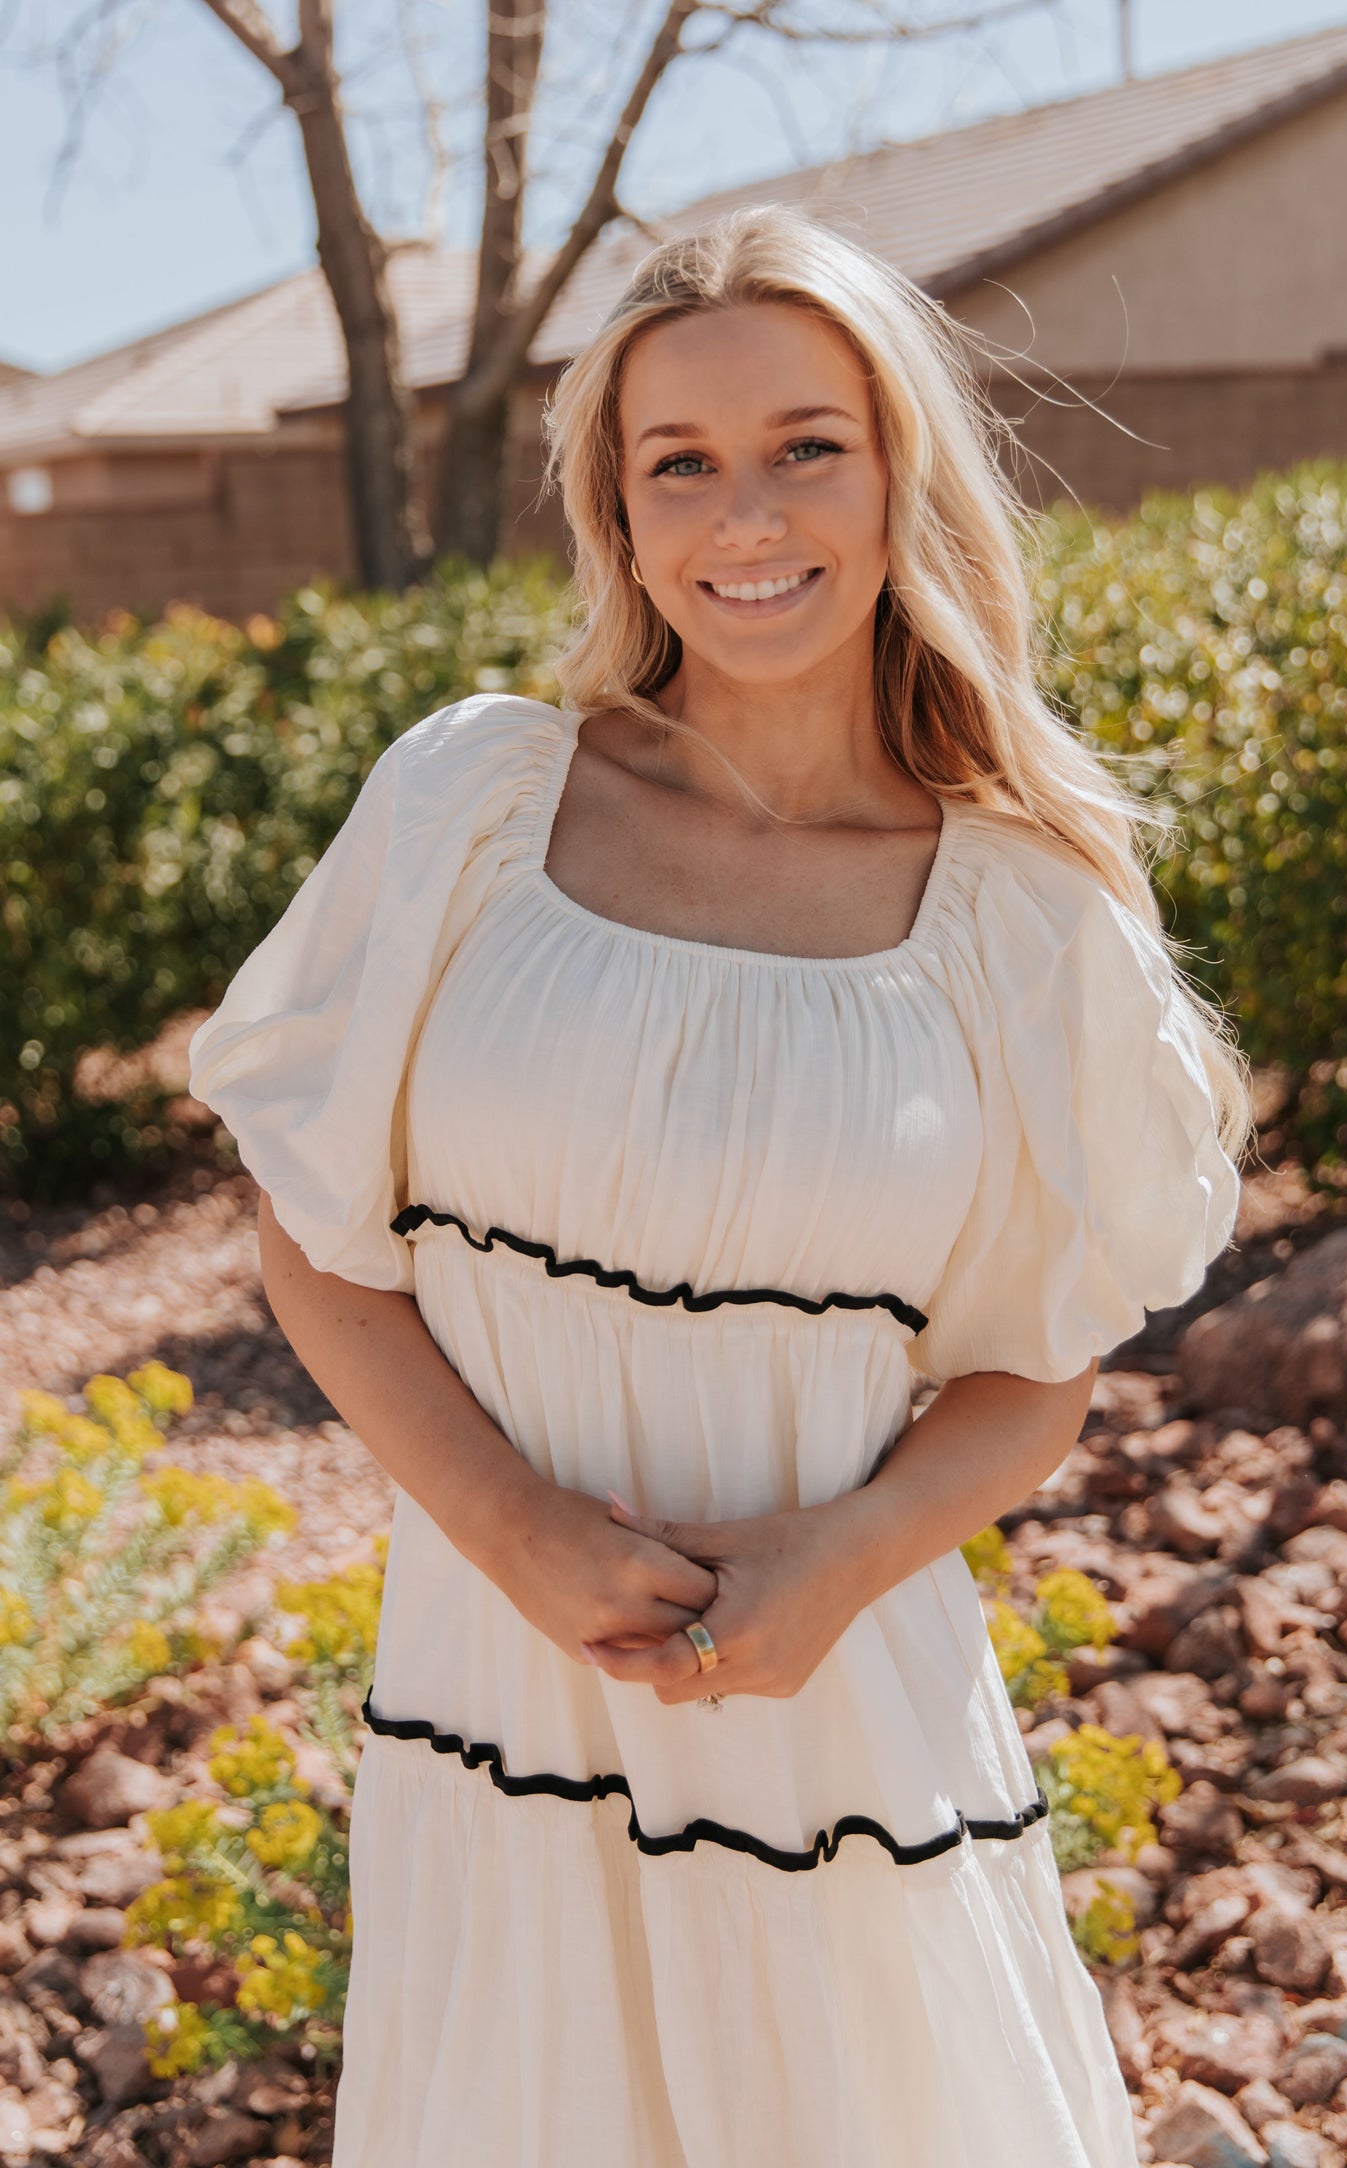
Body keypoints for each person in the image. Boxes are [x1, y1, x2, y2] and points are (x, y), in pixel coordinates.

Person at [187, 204, 1250, 2168]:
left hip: (839, 1711)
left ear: (895, 470)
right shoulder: (473, 803)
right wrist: (512, 1528)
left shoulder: (1022, 915)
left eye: (803, 444)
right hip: (501, 1700)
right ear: (618, 511)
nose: (744, 511)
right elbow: (312, 1232)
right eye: (681, 460)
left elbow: (1036, 1374)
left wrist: (833, 1567)